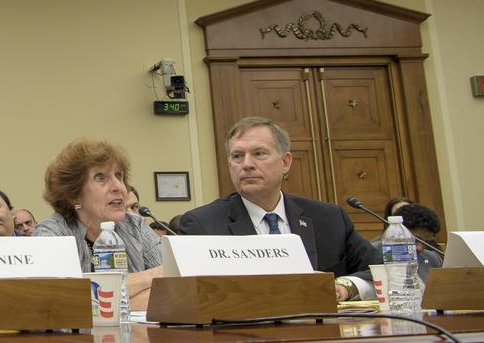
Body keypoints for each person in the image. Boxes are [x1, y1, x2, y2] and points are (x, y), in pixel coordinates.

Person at [178, 116, 382, 301]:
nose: (247, 164)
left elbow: (380, 270)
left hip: (322, 334)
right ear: (230, 164)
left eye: (259, 154)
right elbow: (192, 296)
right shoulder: (202, 224)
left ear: (285, 163)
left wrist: (343, 287)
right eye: (238, 156)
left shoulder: (329, 218)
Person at [32, 138, 162, 307]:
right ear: (73, 194)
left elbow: (173, 289)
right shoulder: (52, 235)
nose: (119, 187)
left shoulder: (135, 226)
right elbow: (64, 302)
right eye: (101, 177)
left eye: (119, 176)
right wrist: (147, 278)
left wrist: (107, 301)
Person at [394, 202, 445, 282]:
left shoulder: (433, 258)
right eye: (415, 240)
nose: (420, 248)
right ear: (397, 232)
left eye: (427, 242)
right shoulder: (375, 255)